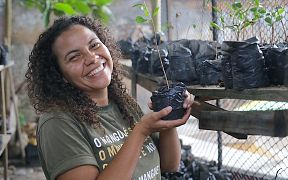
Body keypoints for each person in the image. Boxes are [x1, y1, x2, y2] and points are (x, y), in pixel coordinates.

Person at [26, 16, 195, 180]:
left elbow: (169, 165)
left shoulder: (123, 104)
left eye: (94, 45)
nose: (92, 58)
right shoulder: (58, 123)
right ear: (60, 75)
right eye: (74, 57)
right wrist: (141, 131)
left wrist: (168, 116)